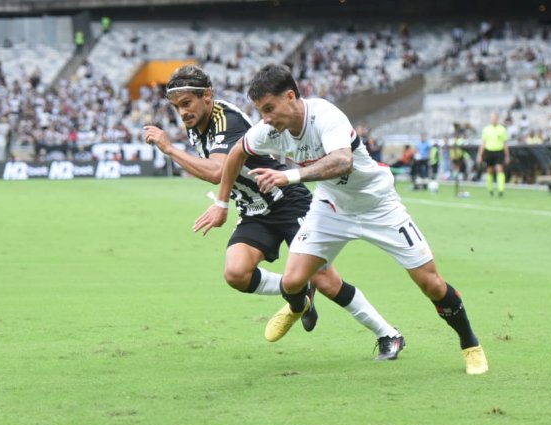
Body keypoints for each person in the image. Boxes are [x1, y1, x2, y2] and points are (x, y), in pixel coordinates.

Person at [194, 64, 488, 374]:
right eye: (260, 111)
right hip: (331, 207)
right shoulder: (269, 130)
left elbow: (342, 161)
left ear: (291, 97)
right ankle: (299, 305)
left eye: (269, 108)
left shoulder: (325, 116)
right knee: (293, 281)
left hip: (378, 206)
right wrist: (223, 203)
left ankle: (470, 343)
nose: (265, 118)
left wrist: (289, 176)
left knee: (431, 284)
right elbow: (237, 153)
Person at [143, 65, 405, 360]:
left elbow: (218, 170)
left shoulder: (225, 121)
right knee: (236, 273)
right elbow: (227, 170)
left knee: (327, 281)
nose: (183, 113)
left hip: (286, 199)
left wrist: (170, 150)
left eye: (187, 104)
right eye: (177, 107)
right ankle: (297, 291)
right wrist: (225, 201)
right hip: (255, 209)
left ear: (207, 96)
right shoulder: (197, 125)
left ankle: (388, 334)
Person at [477, 112, 509, 196]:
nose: (493, 120)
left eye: (494, 118)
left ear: (497, 119)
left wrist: (507, 155)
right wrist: (480, 154)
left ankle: (501, 190)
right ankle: (490, 189)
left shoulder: (502, 129)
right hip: (489, 151)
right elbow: (483, 143)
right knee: (490, 170)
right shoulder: (486, 129)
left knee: (499, 169)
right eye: (492, 118)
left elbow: (505, 143)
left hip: (499, 151)